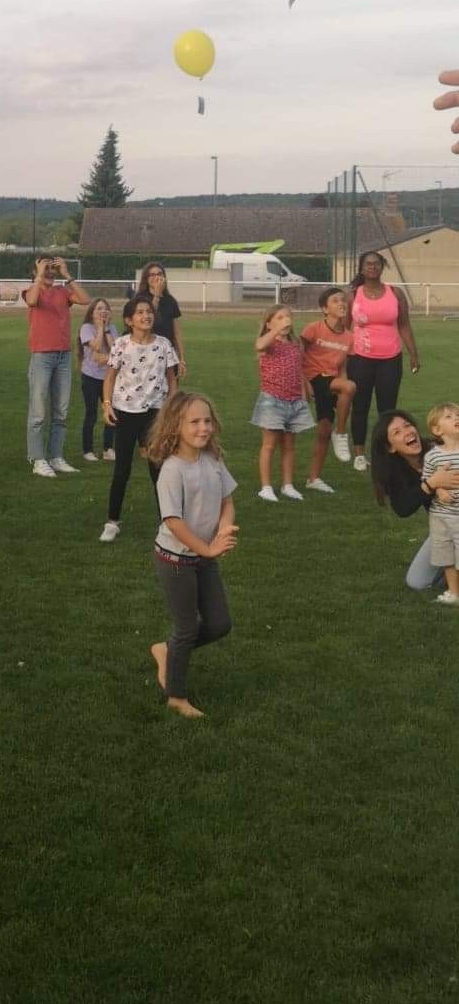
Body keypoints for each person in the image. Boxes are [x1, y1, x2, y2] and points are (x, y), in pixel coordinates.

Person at [147, 391, 237, 719]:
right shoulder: (172, 470)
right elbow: (173, 522)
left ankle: (166, 651)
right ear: (176, 426)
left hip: (203, 558)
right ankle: (176, 696)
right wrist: (208, 548)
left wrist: (224, 528)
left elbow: (227, 499)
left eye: (207, 421)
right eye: (195, 422)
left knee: (219, 623)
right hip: (175, 561)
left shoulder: (212, 460)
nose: (203, 428)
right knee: (186, 629)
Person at [100, 296, 179, 542]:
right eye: (140, 312)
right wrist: (107, 405)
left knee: (158, 470)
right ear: (129, 320)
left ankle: (167, 523)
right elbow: (110, 378)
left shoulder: (164, 344)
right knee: (122, 469)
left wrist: (171, 410)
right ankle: (112, 521)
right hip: (126, 413)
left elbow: (172, 380)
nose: (146, 316)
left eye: (149, 312)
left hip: (155, 415)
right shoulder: (121, 344)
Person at [370, 411, 459, 592]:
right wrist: (431, 483)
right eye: (397, 432)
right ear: (391, 447)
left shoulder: (441, 450)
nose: (407, 432)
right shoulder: (396, 472)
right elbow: (403, 509)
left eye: (407, 425)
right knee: (417, 581)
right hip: (445, 527)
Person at [348, 250, 420, 472]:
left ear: (382, 267)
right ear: (361, 268)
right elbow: (343, 329)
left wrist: (414, 354)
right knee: (360, 406)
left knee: (387, 410)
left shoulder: (395, 294)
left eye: (377, 264)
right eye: (368, 264)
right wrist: (338, 360)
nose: (372, 267)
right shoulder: (353, 295)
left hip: (390, 359)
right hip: (359, 358)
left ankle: (382, 452)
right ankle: (359, 454)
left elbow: (404, 325)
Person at [22, 254, 91, 477]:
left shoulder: (63, 292)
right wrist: (39, 275)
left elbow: (85, 299)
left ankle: (55, 456)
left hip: (63, 357)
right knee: (38, 412)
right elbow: (32, 301)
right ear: (35, 271)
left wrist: (67, 275)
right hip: (41, 356)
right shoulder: (32, 290)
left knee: (61, 411)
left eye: (52, 267)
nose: (50, 271)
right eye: (45, 267)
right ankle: (38, 459)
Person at [252, 305, 314, 503]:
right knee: (269, 445)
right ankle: (266, 487)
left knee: (289, 446)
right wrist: (275, 331)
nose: (286, 320)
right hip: (272, 400)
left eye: (288, 317)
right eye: (279, 317)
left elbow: (299, 371)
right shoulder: (269, 343)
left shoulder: (295, 344)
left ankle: (288, 485)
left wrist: (303, 395)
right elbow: (259, 345)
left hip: (294, 401)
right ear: (269, 323)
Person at [301, 287, 356, 491]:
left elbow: (342, 368)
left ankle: (313, 479)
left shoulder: (349, 337)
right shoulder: (313, 328)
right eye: (335, 301)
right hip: (313, 377)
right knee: (350, 386)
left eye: (343, 300)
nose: (342, 303)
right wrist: (302, 382)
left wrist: (343, 392)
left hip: (331, 380)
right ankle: (341, 434)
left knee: (324, 430)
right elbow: (298, 352)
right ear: (325, 309)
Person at [421, 403, 459, 605]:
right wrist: (440, 489)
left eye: (458, 414)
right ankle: (454, 594)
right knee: (446, 557)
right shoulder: (433, 455)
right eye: (449, 416)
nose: (456, 417)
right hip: (440, 516)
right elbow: (428, 480)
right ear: (437, 430)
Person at [78, 298, 116, 462]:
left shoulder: (112, 328)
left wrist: (106, 329)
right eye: (99, 309)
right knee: (91, 414)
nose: (103, 311)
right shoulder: (86, 328)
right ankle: (88, 450)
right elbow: (94, 346)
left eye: (106, 309)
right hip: (91, 377)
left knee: (111, 412)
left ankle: (108, 448)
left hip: (107, 378)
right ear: (92, 312)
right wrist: (100, 328)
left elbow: (116, 350)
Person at [134, 262, 187, 375]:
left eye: (159, 274)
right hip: (147, 352)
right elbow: (147, 319)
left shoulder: (170, 300)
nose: (156, 277)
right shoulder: (140, 299)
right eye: (152, 275)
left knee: (171, 388)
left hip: (167, 352)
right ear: (146, 279)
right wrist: (156, 296)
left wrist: (181, 358)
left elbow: (176, 331)